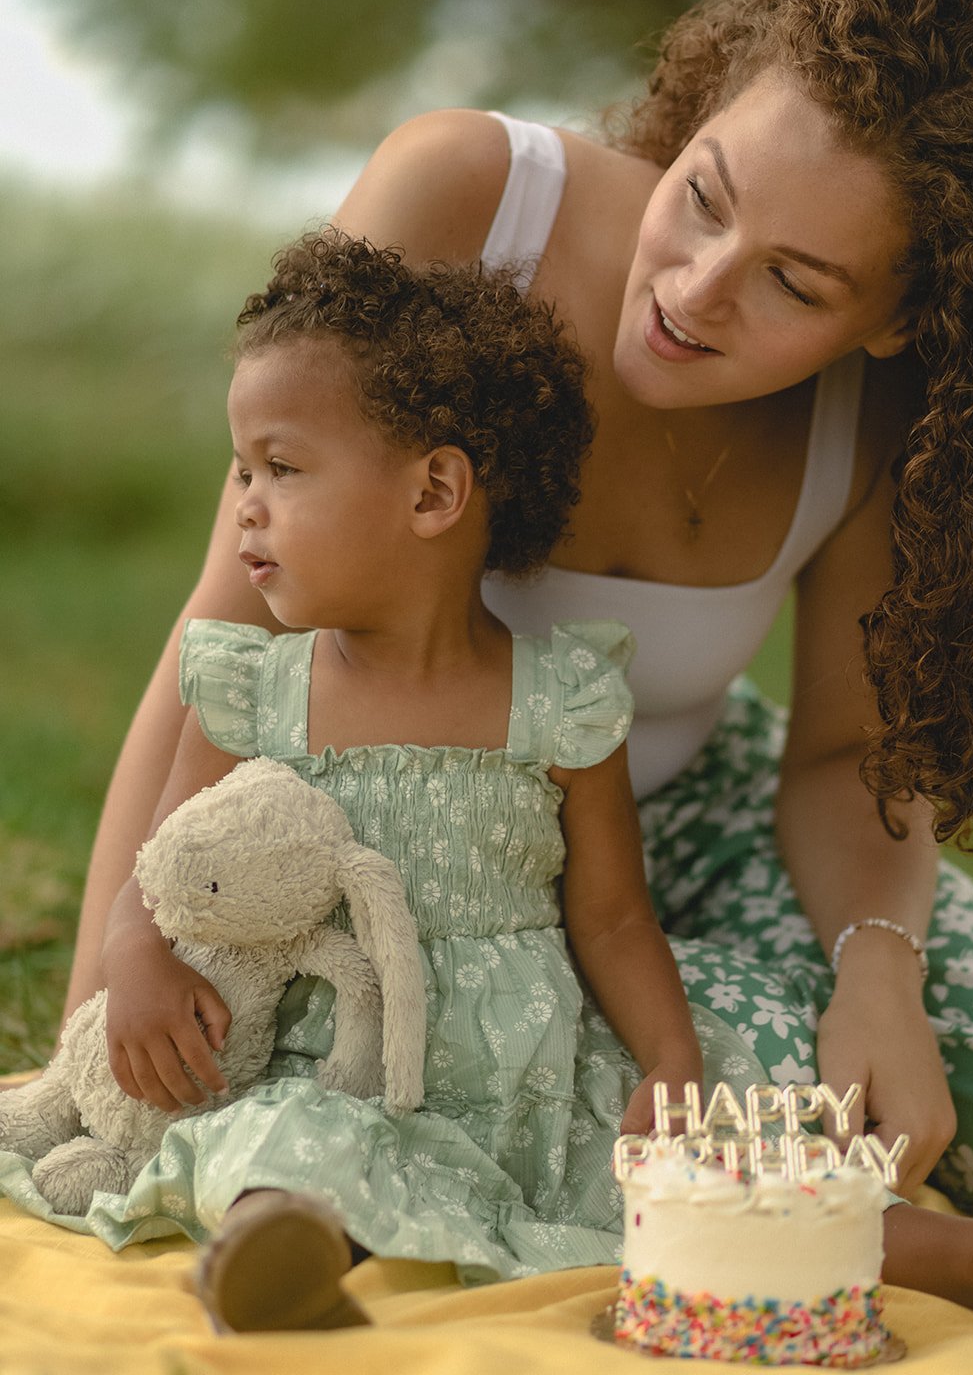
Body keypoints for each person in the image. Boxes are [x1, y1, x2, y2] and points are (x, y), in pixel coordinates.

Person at [55, 0, 973, 1317]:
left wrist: (877, 973)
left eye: (795, 283)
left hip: (685, 820)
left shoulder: (877, 419)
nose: (695, 290)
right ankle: (915, 1243)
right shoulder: (474, 199)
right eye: (703, 198)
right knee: (745, 1072)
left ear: (894, 322)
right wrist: (96, 1024)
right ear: (703, 110)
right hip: (423, 861)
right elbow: (226, 643)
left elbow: (847, 759)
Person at [72, 233, 760, 1327]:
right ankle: (283, 1252)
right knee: (284, 1140)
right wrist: (134, 955)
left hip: (528, 1082)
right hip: (327, 1068)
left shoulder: (561, 702)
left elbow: (614, 916)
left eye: (281, 468)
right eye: (240, 469)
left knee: (709, 1176)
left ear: (434, 489)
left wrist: (668, 1057)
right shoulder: (256, 688)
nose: (244, 502)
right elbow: (164, 871)